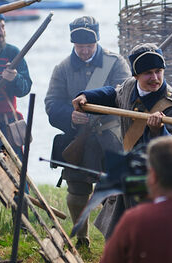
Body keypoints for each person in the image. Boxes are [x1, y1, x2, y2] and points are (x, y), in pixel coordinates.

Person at [72, 43, 172, 238]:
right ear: (136, 76)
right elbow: (113, 94)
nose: (155, 78)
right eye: (148, 73)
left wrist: (158, 130)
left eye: (158, 71)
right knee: (119, 235)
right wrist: (86, 96)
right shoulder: (129, 87)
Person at [44, 16, 129, 246]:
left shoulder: (115, 63)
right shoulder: (62, 68)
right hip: (79, 137)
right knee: (77, 189)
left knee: (116, 190)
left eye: (89, 46)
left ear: (97, 41)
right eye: (80, 46)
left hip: (111, 136)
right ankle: (82, 238)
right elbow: (52, 103)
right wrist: (70, 116)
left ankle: (117, 239)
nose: (84, 51)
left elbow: (123, 93)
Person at [0, 14, 32, 158]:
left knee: (14, 165)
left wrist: (15, 78)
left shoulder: (12, 52)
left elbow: (25, 88)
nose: (1, 32)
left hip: (8, 124)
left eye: (3, 27)